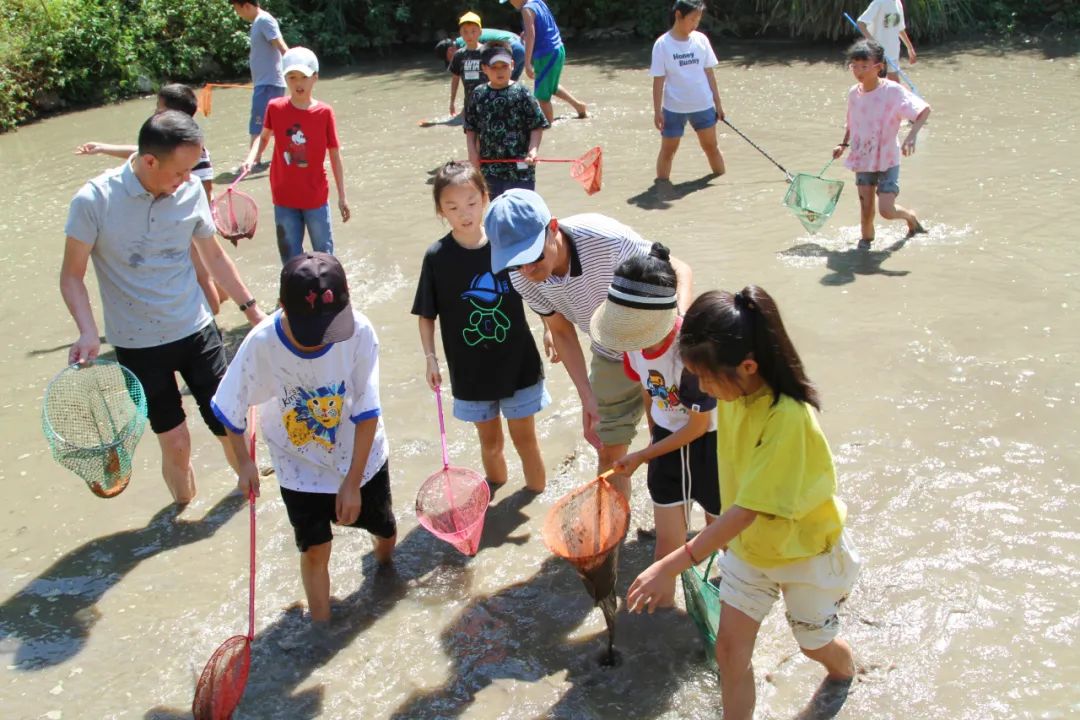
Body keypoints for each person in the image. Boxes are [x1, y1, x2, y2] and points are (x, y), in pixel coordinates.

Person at [627, 286, 861, 720]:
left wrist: (668, 565)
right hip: (750, 551)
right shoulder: (733, 389)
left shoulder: (787, 419)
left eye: (707, 377)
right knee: (730, 653)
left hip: (804, 554)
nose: (701, 387)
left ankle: (845, 671)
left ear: (749, 366)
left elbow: (744, 511)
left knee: (814, 647)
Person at [61, 111, 265, 504]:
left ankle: (247, 501)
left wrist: (252, 311)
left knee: (229, 426)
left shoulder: (188, 194)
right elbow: (72, 275)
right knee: (175, 443)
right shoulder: (95, 199)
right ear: (149, 161)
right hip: (138, 345)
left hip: (196, 330)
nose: (189, 179)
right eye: (181, 171)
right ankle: (182, 516)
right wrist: (87, 331)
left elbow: (215, 257)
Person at [211, 252, 396, 624]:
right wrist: (244, 464)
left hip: (358, 454)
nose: (320, 341)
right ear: (283, 307)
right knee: (315, 549)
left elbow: (367, 412)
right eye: (312, 331)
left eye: (329, 329)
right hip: (296, 462)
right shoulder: (261, 342)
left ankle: (384, 570)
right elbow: (230, 407)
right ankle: (321, 629)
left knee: (384, 530)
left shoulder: (359, 332)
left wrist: (352, 482)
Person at [485, 189, 692, 501]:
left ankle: (675, 516)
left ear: (552, 228)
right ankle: (612, 544)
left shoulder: (605, 239)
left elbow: (678, 270)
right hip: (610, 352)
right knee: (609, 455)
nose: (526, 269)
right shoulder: (523, 278)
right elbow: (561, 331)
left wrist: (676, 333)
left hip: (656, 346)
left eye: (531, 256)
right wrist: (587, 396)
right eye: (514, 262)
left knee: (667, 437)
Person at [589, 243, 719, 604]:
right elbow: (649, 389)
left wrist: (644, 455)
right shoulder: (633, 342)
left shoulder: (690, 353)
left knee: (718, 533)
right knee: (666, 546)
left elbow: (696, 427)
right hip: (664, 437)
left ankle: (721, 599)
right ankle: (661, 617)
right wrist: (651, 429)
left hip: (709, 442)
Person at [412, 162, 548, 492]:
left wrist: (548, 327)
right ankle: (496, 495)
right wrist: (431, 358)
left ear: (486, 198)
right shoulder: (437, 258)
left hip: (518, 362)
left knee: (526, 441)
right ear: (441, 211)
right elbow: (426, 316)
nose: (465, 213)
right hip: (470, 371)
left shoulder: (506, 244)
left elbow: (537, 287)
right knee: (490, 444)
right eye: (453, 207)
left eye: (472, 203)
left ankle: (536, 498)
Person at [74, 83, 227, 314]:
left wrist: (205, 216)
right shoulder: (170, 146)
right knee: (204, 273)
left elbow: (205, 188)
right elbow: (142, 152)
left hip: (189, 220)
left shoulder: (193, 151)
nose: (155, 113)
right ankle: (218, 303)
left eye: (159, 109)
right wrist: (103, 148)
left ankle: (212, 316)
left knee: (203, 275)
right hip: (177, 219)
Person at [242, 46, 350, 263]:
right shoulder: (275, 107)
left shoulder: (324, 112)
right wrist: (252, 157)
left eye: (304, 77)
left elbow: (335, 156)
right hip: (284, 196)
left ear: (315, 78)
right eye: (292, 77)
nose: (298, 83)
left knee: (324, 254)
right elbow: (263, 137)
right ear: (285, 79)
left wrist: (342, 197)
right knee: (290, 255)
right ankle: (291, 295)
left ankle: (327, 293)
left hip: (315, 196)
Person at [833, 39, 930, 250]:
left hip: (887, 158)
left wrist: (912, 135)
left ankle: (910, 218)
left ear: (879, 67)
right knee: (866, 212)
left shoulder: (892, 91)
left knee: (886, 210)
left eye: (864, 66)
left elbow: (923, 110)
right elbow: (852, 122)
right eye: (854, 65)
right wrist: (843, 144)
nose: (858, 71)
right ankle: (864, 252)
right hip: (862, 157)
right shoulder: (853, 93)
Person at [650, 0, 726, 181]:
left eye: (698, 20)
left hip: (703, 104)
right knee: (668, 152)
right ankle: (661, 188)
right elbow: (658, 80)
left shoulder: (701, 40)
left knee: (711, 147)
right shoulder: (662, 44)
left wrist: (719, 104)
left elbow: (709, 74)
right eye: (692, 19)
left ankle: (723, 185)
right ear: (678, 15)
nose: (695, 24)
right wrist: (656, 111)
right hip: (674, 108)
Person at [465, 43, 550, 199]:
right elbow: (471, 128)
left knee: (523, 209)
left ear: (512, 65)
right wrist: (472, 153)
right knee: (499, 209)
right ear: (484, 68)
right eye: (494, 67)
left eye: (504, 66)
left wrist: (533, 150)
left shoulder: (522, 92)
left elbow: (536, 125)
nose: (500, 71)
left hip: (521, 167)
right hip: (490, 168)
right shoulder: (478, 94)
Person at [501, 0, 587, 122]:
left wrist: (527, 63)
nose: (510, 3)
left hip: (546, 54)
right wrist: (526, 32)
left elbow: (531, 36)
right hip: (558, 49)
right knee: (550, 86)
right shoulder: (537, 1)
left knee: (541, 97)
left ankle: (548, 125)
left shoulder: (526, 10)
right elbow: (545, 23)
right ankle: (579, 106)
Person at [230, 0, 288, 167]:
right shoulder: (258, 22)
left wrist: (294, 68)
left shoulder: (264, 20)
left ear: (246, 5)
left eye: (237, 9)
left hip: (268, 84)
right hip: (265, 83)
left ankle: (253, 161)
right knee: (273, 124)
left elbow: (280, 45)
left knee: (258, 124)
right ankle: (287, 156)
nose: (237, 13)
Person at [435, 26, 527, 86]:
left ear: (450, 50)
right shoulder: (468, 37)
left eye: (449, 59)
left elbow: (478, 77)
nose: (452, 62)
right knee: (511, 87)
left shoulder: (466, 45)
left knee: (498, 85)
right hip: (522, 46)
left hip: (512, 48)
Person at [857, 0, 916, 82]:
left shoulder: (898, 3)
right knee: (878, 84)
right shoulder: (879, 2)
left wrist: (910, 48)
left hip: (893, 51)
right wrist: (873, 43)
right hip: (878, 53)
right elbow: (860, 23)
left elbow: (900, 28)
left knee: (895, 83)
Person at [443, 12, 488, 118]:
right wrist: (452, 102)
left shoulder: (487, 52)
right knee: (470, 132)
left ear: (480, 32)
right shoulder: (459, 55)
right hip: (469, 102)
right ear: (460, 33)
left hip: (487, 100)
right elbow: (455, 79)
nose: (469, 35)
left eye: (473, 31)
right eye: (465, 32)